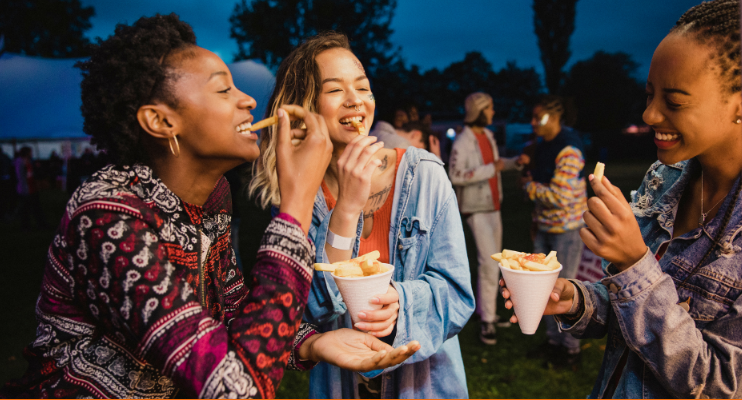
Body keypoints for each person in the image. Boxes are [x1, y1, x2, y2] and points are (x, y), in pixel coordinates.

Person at [1, 15, 419, 399]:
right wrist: (295, 206)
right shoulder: (108, 215)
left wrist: (311, 342)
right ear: (162, 122)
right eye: (223, 89)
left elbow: (233, 307)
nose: (249, 101)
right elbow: (235, 388)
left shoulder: (214, 195)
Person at [502, 0, 742, 397]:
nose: (649, 115)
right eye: (650, 95)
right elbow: (635, 312)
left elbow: (724, 386)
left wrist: (633, 263)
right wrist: (578, 300)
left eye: (675, 101)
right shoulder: (664, 178)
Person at [250, 32, 474, 399]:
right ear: (305, 106)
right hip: (340, 386)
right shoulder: (297, 196)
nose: (356, 101)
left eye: (363, 87)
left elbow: (458, 294)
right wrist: (348, 207)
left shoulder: (424, 174)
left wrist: (402, 303)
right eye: (335, 90)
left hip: (425, 386)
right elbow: (313, 309)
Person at [449, 92, 529, 345]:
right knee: (488, 263)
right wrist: (489, 170)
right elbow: (455, 175)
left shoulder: (488, 136)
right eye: (491, 108)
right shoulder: (463, 140)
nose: (494, 112)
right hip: (476, 209)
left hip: (494, 206)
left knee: (496, 262)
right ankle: (487, 323)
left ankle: (487, 312)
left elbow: (496, 164)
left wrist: (515, 163)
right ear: (480, 110)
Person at [520, 95, 588, 365]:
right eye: (533, 117)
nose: (533, 122)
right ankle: (553, 341)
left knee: (565, 289)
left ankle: (570, 349)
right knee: (541, 286)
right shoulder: (542, 145)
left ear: (555, 116)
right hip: (545, 226)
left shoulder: (569, 149)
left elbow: (560, 196)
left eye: (539, 117)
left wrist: (528, 187)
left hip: (566, 230)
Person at [14, 146, 46, 230]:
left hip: (30, 188)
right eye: (30, 152)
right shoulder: (21, 162)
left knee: (35, 208)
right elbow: (22, 176)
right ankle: (27, 226)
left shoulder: (27, 161)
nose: (31, 154)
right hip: (26, 189)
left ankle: (39, 224)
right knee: (27, 209)